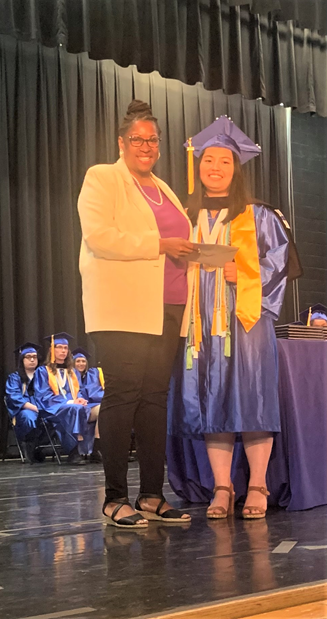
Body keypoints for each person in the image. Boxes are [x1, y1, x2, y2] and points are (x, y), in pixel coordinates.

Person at [78, 100, 193, 527]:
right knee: (124, 396)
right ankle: (113, 498)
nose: (146, 146)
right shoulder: (103, 177)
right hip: (123, 308)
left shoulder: (165, 188)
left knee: (155, 400)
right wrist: (160, 245)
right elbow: (100, 236)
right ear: (122, 143)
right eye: (138, 140)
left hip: (169, 306)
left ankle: (150, 495)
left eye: (153, 140)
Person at [168, 116, 290, 519]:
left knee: (252, 399)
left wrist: (247, 273)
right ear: (198, 166)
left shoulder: (259, 215)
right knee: (210, 400)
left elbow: (279, 263)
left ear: (236, 169)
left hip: (246, 320)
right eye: (208, 161)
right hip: (199, 324)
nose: (215, 168)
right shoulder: (185, 215)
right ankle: (223, 486)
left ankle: (258, 484)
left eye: (224, 162)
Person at [33, 333, 96, 466]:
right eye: (59, 347)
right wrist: (71, 402)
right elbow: (43, 396)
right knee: (75, 409)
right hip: (52, 408)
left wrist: (80, 399)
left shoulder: (72, 372)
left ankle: (96, 450)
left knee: (99, 408)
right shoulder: (43, 371)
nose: (63, 351)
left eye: (66, 348)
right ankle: (74, 452)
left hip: (73, 406)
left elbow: (80, 391)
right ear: (52, 350)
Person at [5, 342, 45, 464]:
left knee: (56, 417)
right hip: (25, 409)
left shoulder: (43, 376)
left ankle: (38, 447)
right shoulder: (15, 378)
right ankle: (29, 448)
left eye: (34, 356)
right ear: (22, 359)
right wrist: (34, 407)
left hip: (43, 407)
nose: (32, 360)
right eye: (28, 357)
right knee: (29, 417)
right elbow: (14, 397)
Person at [73, 347, 103, 463]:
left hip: (90, 406)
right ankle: (78, 450)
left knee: (103, 409)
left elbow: (94, 393)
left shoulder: (92, 375)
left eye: (83, 361)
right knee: (79, 410)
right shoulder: (69, 376)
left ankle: (97, 446)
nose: (81, 364)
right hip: (77, 407)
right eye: (78, 361)